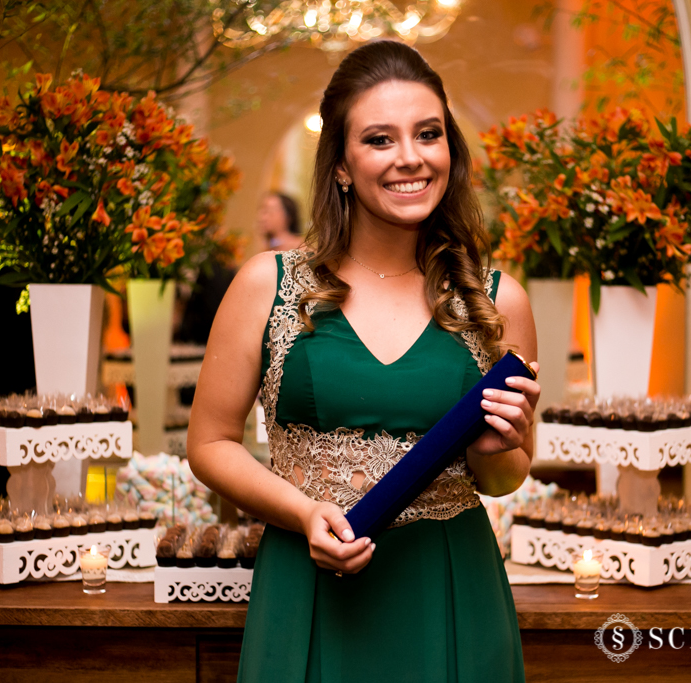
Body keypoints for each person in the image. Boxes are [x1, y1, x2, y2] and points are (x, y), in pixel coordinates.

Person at [187, 40, 539, 683]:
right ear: (342, 166)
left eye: (428, 134)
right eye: (380, 139)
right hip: (308, 582)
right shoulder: (268, 285)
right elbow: (209, 442)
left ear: (449, 151)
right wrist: (302, 513)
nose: (410, 157)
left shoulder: (496, 299)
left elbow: (503, 477)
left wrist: (497, 445)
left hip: (450, 589)